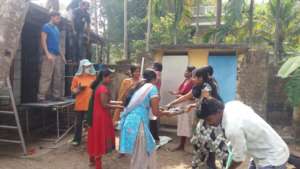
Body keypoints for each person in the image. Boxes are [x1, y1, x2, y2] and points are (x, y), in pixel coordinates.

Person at [199, 98, 290, 169]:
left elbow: (238, 159)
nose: (209, 124)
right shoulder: (232, 105)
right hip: (264, 152)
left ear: (218, 112)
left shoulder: (232, 127)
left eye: (209, 120)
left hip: (272, 159)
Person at [166, 67, 225, 169]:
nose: (192, 79)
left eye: (194, 77)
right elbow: (187, 97)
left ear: (201, 78)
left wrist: (191, 105)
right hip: (203, 121)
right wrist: (171, 103)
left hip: (210, 121)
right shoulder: (199, 86)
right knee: (199, 143)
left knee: (209, 144)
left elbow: (209, 102)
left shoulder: (207, 88)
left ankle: (210, 164)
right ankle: (199, 164)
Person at [119, 69, 170, 169]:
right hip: (138, 124)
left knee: (142, 152)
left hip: (130, 122)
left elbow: (142, 105)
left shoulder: (138, 86)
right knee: (141, 155)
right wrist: (167, 113)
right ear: (154, 79)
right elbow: (155, 112)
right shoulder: (152, 88)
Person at [87, 69, 122, 169]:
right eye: (109, 77)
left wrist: (118, 103)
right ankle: (98, 165)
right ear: (104, 77)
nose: (110, 80)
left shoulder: (98, 87)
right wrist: (118, 107)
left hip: (96, 116)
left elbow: (105, 102)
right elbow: (104, 104)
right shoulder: (103, 88)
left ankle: (92, 161)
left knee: (94, 137)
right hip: (101, 117)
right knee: (99, 138)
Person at [37, 12, 66, 102]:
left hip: (57, 55)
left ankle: (56, 96)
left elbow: (58, 44)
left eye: (59, 18)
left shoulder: (57, 29)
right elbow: (43, 40)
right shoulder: (46, 26)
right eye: (57, 18)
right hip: (49, 55)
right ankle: (41, 97)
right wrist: (47, 53)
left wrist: (62, 56)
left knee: (57, 76)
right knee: (46, 76)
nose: (59, 20)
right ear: (52, 17)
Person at [168, 66, 195, 151]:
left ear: (191, 73)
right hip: (181, 104)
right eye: (185, 71)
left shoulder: (193, 82)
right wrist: (174, 93)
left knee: (185, 125)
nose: (185, 72)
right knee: (181, 125)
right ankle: (181, 145)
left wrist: (181, 96)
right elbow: (181, 91)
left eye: (187, 71)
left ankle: (182, 145)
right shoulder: (185, 81)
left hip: (187, 105)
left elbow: (193, 97)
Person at [70, 59, 96, 146]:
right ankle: (77, 140)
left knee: (91, 123)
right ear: (82, 67)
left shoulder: (94, 77)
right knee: (78, 123)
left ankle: (92, 140)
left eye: (89, 66)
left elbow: (97, 89)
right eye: (86, 66)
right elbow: (73, 91)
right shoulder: (76, 77)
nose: (88, 68)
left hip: (91, 104)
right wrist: (79, 89)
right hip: (80, 104)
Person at [150, 62, 163, 143]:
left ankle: (155, 136)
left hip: (154, 96)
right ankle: (155, 136)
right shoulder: (158, 74)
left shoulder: (156, 73)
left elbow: (155, 81)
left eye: (153, 66)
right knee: (153, 116)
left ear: (155, 67)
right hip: (156, 95)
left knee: (153, 116)